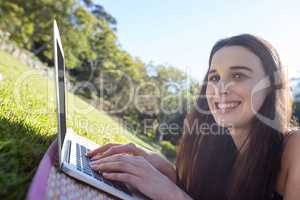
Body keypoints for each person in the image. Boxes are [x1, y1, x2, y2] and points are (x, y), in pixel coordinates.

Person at [87, 34, 300, 200]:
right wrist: (168, 174)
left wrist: (171, 194)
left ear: (270, 87)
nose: (220, 89)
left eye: (238, 75)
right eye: (214, 77)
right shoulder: (222, 145)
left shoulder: (295, 148)